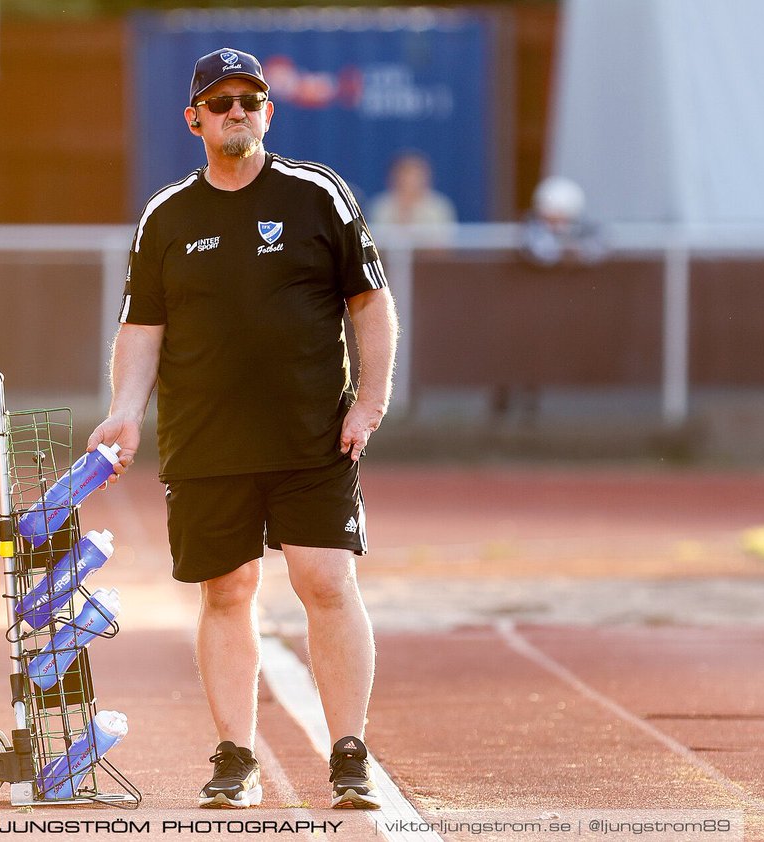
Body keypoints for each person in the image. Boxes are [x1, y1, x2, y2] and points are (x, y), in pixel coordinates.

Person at [87, 47, 397, 811]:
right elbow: (142, 326)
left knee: (326, 579)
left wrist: (372, 401)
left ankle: (349, 754)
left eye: (250, 101)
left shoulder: (318, 195)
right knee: (227, 592)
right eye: (220, 102)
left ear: (268, 112)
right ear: (194, 117)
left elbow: (370, 305)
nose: (237, 113)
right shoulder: (168, 215)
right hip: (205, 441)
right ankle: (235, 757)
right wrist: (126, 411)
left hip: (311, 437)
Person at [522, 175, 605, 267]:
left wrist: (578, 249)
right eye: (549, 220)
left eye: (560, 220)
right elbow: (542, 253)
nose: (554, 226)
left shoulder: (586, 230)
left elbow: (597, 249)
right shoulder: (533, 229)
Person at [367, 151, 457, 231]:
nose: (410, 180)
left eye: (416, 175)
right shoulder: (379, 206)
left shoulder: (438, 206)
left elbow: (445, 245)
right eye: (404, 174)